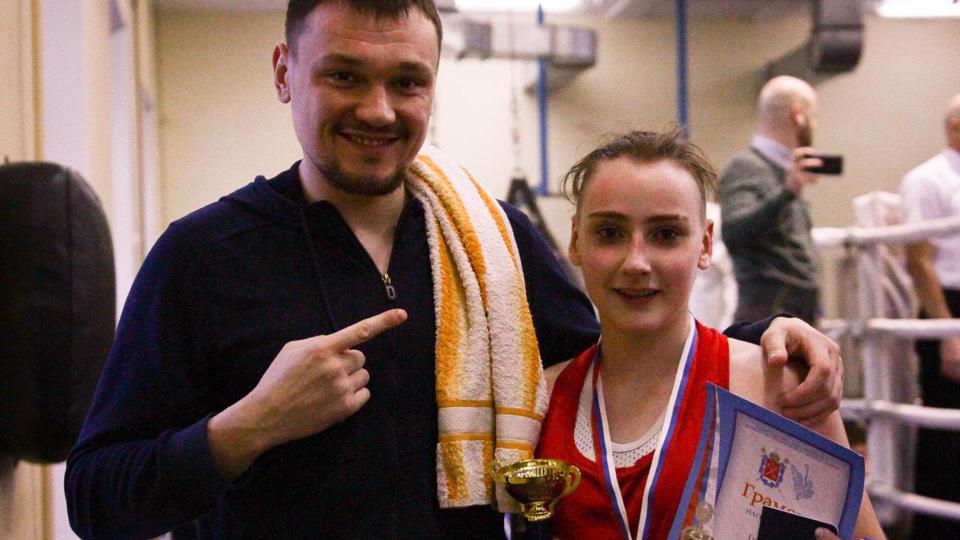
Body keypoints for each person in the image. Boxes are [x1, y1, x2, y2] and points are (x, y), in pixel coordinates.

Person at [64, 2, 844, 538]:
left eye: (407, 81)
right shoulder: (202, 256)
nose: (379, 109)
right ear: (284, 72)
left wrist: (765, 338)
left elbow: (619, 352)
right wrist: (250, 426)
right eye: (344, 76)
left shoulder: (491, 240)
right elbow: (97, 498)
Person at [536, 129, 884, 540]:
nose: (636, 263)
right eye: (609, 233)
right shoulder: (540, 400)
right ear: (576, 240)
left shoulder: (781, 387)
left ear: (704, 244)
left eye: (666, 234)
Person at [898, 92, 960, 539]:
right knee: (945, 432)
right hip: (948, 305)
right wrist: (947, 332)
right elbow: (919, 260)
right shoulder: (926, 179)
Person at [719, 75, 825, 325]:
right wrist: (788, 192)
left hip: (791, 314)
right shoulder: (745, 166)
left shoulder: (782, 169)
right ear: (798, 115)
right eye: (813, 116)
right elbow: (734, 232)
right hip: (767, 318)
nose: (815, 125)